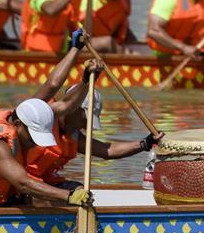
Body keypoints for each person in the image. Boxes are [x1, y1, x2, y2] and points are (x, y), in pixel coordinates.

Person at [24, 60, 161, 197]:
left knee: (79, 190)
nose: (85, 127)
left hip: (43, 182)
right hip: (23, 184)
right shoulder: (37, 117)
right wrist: (84, 73)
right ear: (74, 109)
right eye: (86, 120)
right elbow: (51, 84)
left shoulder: (73, 136)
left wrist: (145, 143)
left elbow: (107, 151)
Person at [0, 98, 93, 208]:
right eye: (32, 137)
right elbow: (23, 183)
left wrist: (85, 81)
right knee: (45, 198)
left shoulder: (15, 120)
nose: (35, 144)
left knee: (40, 199)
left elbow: (64, 103)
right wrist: (68, 196)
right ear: (18, 124)